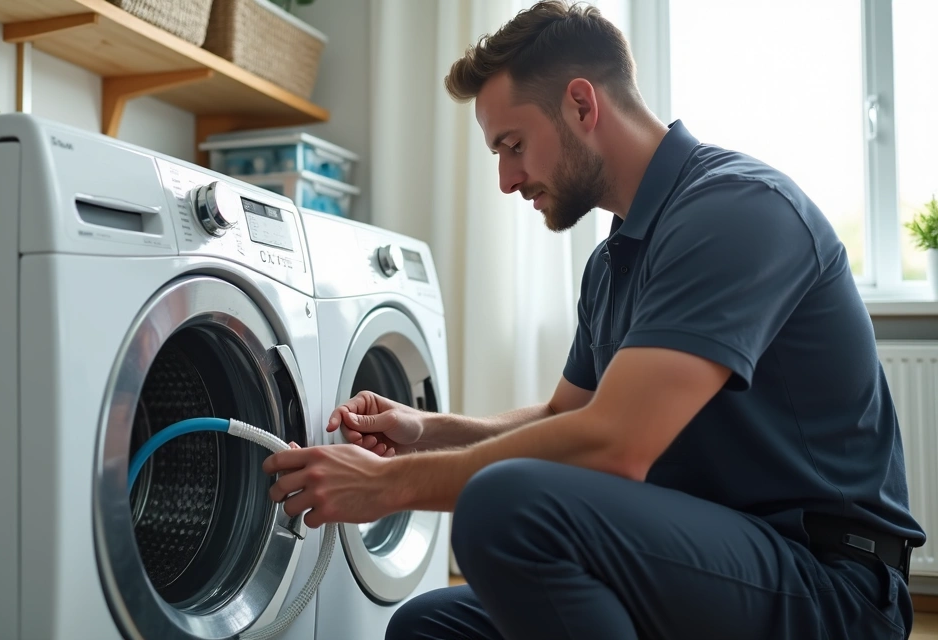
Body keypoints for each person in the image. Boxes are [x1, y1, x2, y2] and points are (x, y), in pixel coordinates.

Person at [261, 2, 927, 639]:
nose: (506, 179)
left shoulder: (736, 210)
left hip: (827, 583)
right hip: (702, 562)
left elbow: (614, 445)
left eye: (513, 145)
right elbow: (565, 414)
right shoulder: (612, 263)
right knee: (428, 627)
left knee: (505, 504)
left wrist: (386, 485)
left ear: (582, 104)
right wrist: (425, 432)